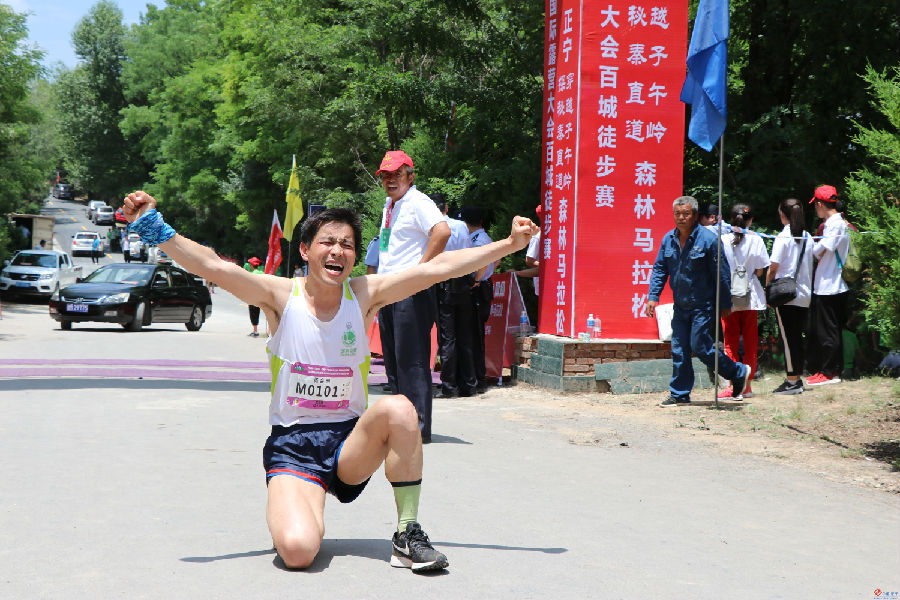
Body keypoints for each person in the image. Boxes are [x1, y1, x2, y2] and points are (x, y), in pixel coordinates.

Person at [121, 189, 537, 573]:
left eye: (348, 245)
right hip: (294, 446)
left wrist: (508, 244)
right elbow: (212, 265)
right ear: (305, 250)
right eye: (328, 242)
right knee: (298, 552)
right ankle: (302, 503)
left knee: (399, 408)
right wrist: (150, 224)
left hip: (350, 444)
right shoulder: (279, 296)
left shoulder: (366, 294)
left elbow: (437, 269)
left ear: (354, 257)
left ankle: (407, 532)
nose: (338, 250)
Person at [644, 196, 751, 406]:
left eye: (686, 214)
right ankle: (680, 394)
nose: (681, 218)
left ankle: (736, 371)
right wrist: (653, 296)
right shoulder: (668, 239)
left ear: (694, 215)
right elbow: (659, 269)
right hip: (680, 305)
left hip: (704, 305)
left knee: (700, 346)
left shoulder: (709, 240)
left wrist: (724, 303)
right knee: (679, 348)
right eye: (677, 214)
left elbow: (721, 274)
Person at [375, 151, 451, 443]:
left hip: (410, 291)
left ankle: (418, 429)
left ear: (410, 176)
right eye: (385, 175)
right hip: (389, 290)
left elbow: (441, 232)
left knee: (412, 360)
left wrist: (421, 270)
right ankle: (401, 424)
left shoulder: (418, 201)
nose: (390, 180)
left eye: (397, 174)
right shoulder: (390, 204)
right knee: (393, 361)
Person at [717, 204, 770, 399]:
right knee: (750, 342)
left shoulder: (722, 239)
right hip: (751, 296)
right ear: (750, 220)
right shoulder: (756, 239)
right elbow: (760, 271)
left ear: (731, 219)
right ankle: (747, 387)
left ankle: (733, 386)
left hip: (728, 297)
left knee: (730, 342)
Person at [766, 198, 814, 395]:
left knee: (788, 339)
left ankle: (792, 380)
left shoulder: (783, 237)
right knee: (796, 338)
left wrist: (768, 289)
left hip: (786, 295)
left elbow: (773, 267)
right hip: (804, 295)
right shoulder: (808, 237)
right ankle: (796, 378)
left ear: (782, 215)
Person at [431, 194, 477, 399]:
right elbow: (469, 255)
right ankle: (469, 384)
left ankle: (449, 386)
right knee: (465, 336)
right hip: (463, 284)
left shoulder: (432, 229)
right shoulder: (460, 226)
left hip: (443, 286)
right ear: (447, 207)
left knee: (447, 338)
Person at [806, 185, 850, 386]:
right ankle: (830, 370)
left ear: (820, 204)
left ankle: (829, 372)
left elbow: (821, 250)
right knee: (829, 330)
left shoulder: (835, 224)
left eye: (815, 205)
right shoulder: (835, 223)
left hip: (831, 285)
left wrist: (810, 244)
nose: (815, 209)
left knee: (828, 332)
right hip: (828, 284)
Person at [461, 207, 494, 393]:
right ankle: (477, 378)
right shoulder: (483, 238)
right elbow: (496, 259)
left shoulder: (478, 241)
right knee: (475, 335)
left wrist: (475, 280)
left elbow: (482, 262)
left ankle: (478, 379)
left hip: (478, 288)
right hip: (482, 286)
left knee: (475, 336)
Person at [243, 256, 264, 336]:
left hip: (252, 296)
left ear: (252, 265)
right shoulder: (262, 273)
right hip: (260, 295)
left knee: (253, 313)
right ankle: (260, 330)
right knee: (257, 312)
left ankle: (255, 331)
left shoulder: (251, 274)